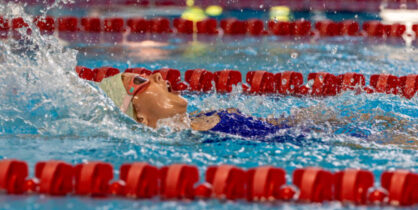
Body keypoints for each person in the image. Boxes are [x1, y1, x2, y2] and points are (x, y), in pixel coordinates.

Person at [98, 71, 295, 138]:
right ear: (141, 118)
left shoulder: (202, 117)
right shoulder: (188, 146)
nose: (157, 75)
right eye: (140, 81)